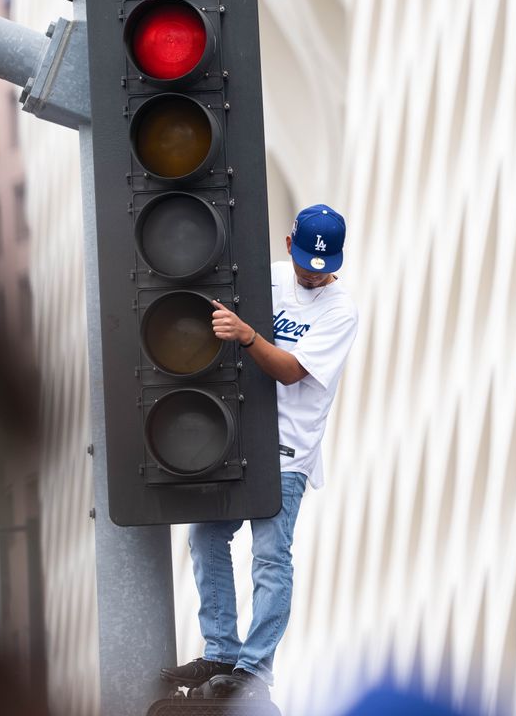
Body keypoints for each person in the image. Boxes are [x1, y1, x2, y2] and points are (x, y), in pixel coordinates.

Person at [161, 204, 359, 701]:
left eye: (323, 268)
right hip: (238, 437)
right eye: (304, 265)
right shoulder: (266, 279)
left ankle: (255, 667)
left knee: (271, 556)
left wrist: (248, 335)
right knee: (205, 536)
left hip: (289, 449)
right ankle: (223, 651)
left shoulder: (340, 310)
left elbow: (292, 370)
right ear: (290, 244)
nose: (312, 278)